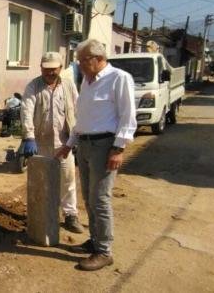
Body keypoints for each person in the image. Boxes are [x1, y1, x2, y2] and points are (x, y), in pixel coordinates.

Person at [55, 39, 136, 271]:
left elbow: (128, 116)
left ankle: (104, 251)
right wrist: (70, 144)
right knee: (89, 197)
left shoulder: (119, 78)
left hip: (105, 145)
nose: (79, 65)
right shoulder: (87, 82)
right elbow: (82, 120)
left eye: (83, 60)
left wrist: (118, 148)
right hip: (86, 145)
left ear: (98, 59)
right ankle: (95, 240)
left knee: (100, 199)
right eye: (79, 60)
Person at [20, 52, 84, 234]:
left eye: (53, 69)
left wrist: (76, 136)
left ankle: (70, 215)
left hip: (64, 143)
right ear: (41, 68)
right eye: (46, 69)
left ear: (60, 68)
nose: (49, 73)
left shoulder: (69, 86)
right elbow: (26, 110)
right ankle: (42, 215)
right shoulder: (33, 86)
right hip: (40, 143)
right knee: (42, 182)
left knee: (68, 180)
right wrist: (29, 136)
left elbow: (77, 110)